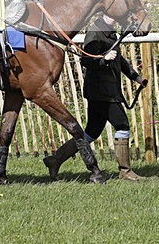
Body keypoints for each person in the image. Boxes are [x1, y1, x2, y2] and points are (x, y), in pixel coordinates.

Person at [43, 13, 148, 181]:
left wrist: (136, 78)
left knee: (91, 132)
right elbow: (86, 60)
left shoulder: (110, 31)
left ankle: (55, 160)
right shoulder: (95, 32)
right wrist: (103, 59)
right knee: (122, 126)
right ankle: (125, 171)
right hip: (101, 92)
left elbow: (119, 61)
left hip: (105, 91)